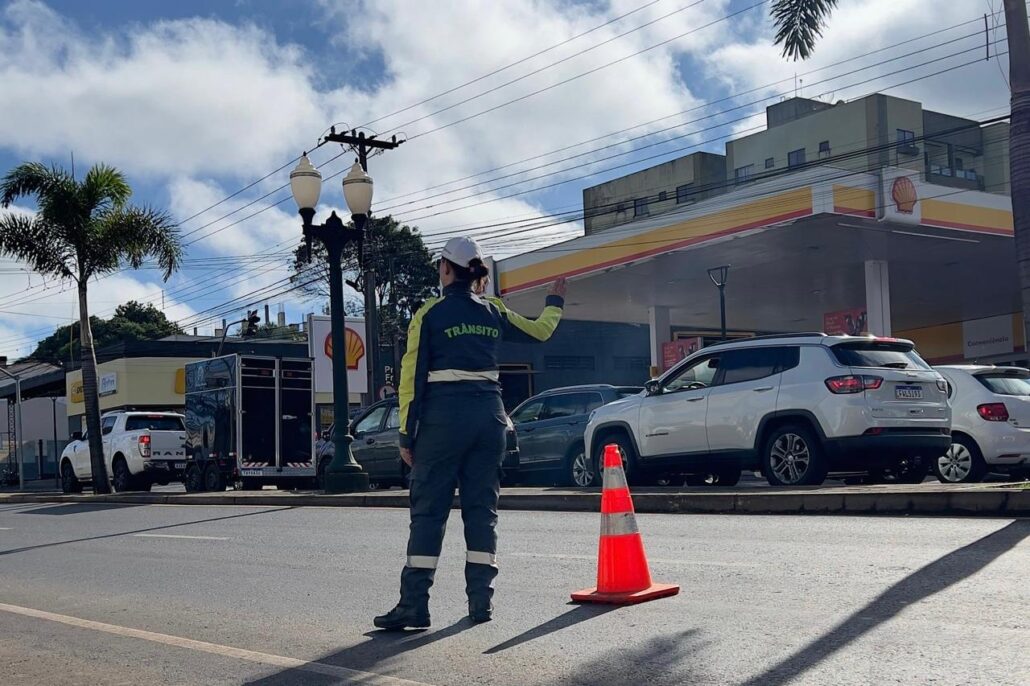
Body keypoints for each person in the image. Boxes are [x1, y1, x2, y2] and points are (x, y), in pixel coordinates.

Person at [374, 236, 566, 630]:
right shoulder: (493, 311)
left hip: (443, 422)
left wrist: (407, 435)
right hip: (489, 419)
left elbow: (411, 379)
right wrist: (555, 302)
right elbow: (541, 332)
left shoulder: (429, 313)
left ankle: (415, 605)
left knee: (429, 513)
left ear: (445, 269)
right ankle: (481, 603)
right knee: (482, 512)